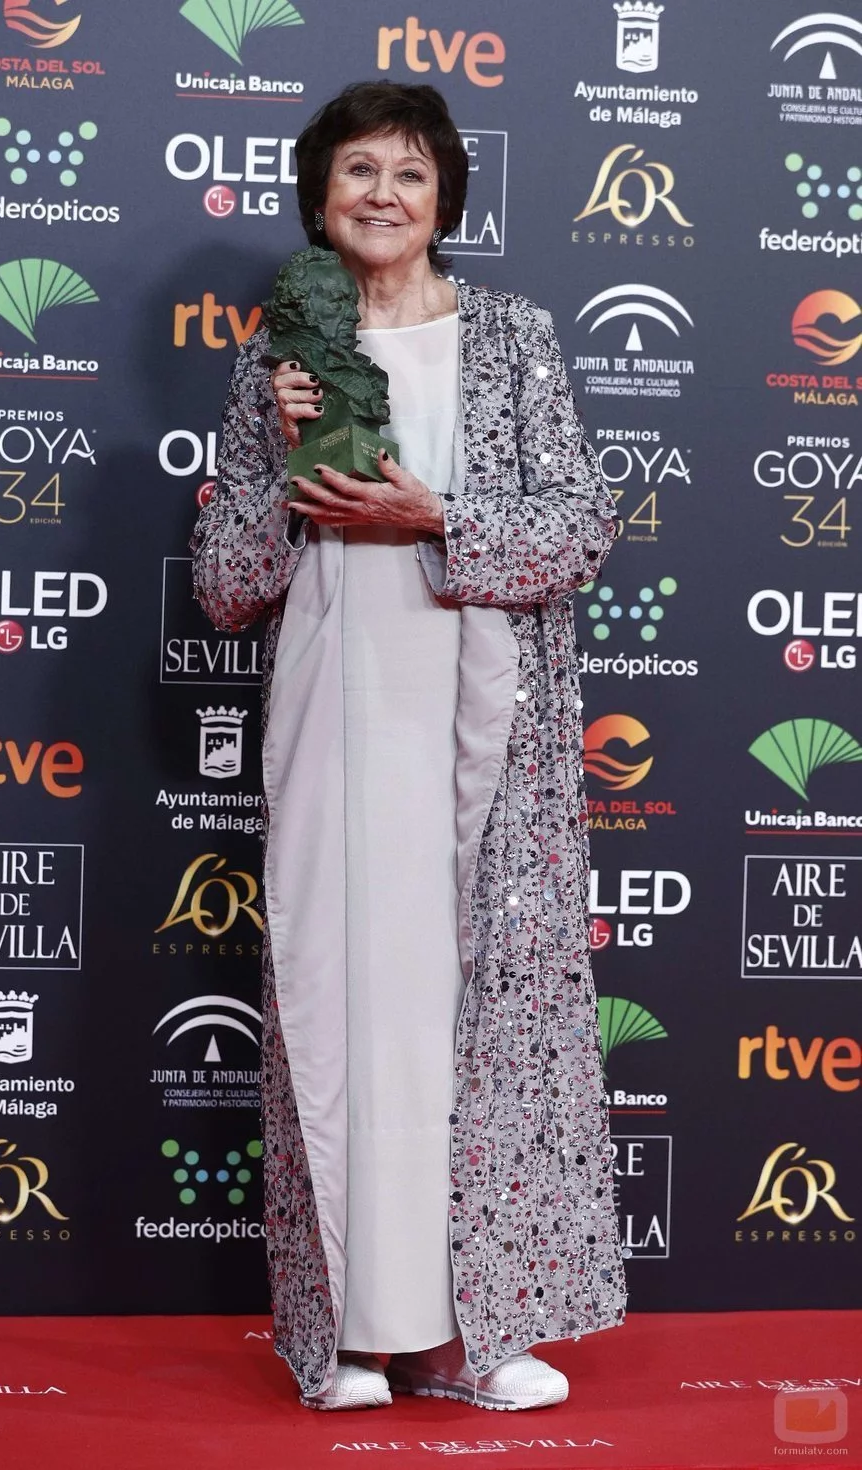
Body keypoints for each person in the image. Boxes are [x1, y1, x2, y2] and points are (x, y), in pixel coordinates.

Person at [190, 80, 628, 1414]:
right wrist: (284, 466)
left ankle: (470, 1336)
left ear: (444, 199)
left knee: (469, 1008)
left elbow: (580, 529)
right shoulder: (279, 355)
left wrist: (437, 517)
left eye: (411, 173)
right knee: (347, 1005)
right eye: (358, 170)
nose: (383, 194)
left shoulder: (515, 336)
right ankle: (353, 1334)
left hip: (482, 715)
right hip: (336, 706)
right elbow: (224, 585)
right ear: (320, 195)